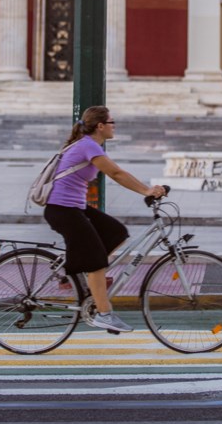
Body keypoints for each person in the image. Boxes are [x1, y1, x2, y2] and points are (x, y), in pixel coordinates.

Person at [44, 105, 166, 333]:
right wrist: (147, 191)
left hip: (74, 207)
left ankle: (86, 271)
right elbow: (116, 173)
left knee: (116, 232)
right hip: (62, 209)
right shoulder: (89, 145)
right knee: (96, 260)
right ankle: (104, 314)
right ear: (100, 126)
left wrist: (146, 190)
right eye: (111, 122)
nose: (114, 126)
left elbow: (117, 172)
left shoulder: (90, 145)